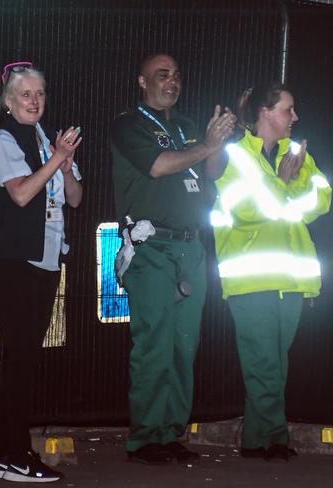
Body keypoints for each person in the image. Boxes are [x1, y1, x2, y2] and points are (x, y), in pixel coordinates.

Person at [110, 53, 236, 464]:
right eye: (162, 75)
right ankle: (144, 438)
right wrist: (206, 145)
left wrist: (217, 145)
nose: (172, 82)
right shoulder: (129, 124)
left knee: (184, 346)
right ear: (142, 81)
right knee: (155, 344)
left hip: (190, 247)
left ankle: (169, 433)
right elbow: (159, 165)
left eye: (177, 75)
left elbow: (213, 171)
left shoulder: (183, 125)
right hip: (152, 247)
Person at [210, 83, 332, 461]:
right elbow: (243, 210)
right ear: (265, 112)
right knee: (264, 363)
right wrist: (283, 186)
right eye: (288, 110)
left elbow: (321, 200)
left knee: (275, 364)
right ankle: (275, 440)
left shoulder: (297, 153)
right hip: (251, 281)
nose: (294, 117)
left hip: (291, 280)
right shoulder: (233, 155)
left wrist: (285, 189)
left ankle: (255, 442)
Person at [0, 61, 83, 482]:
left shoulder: (46, 138)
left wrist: (65, 160)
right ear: (8, 101)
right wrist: (56, 158)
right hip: (14, 260)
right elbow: (20, 194)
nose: (34, 101)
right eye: (25, 94)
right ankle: (17, 455)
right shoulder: (3, 139)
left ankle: (2, 455)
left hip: (46, 257)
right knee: (20, 359)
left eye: (39, 93)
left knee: (23, 360)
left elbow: (75, 198)